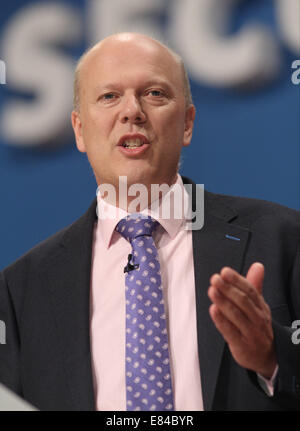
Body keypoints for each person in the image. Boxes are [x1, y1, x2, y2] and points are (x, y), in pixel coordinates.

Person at [0, 32, 300, 411]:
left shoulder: (283, 240)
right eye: (109, 96)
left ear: (187, 124)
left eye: (154, 93)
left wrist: (274, 357)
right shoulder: (21, 290)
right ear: (79, 130)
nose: (132, 111)